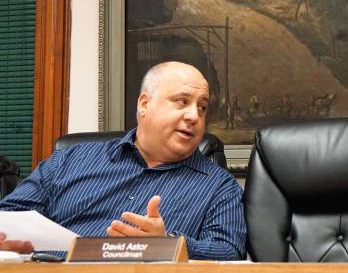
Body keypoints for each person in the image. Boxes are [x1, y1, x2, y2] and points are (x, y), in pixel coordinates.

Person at [0, 61, 246, 260]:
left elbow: (229, 252)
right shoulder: (69, 160)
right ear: (144, 104)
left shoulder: (219, 186)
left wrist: (169, 243)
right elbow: (9, 215)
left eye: (202, 108)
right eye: (182, 102)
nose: (194, 116)